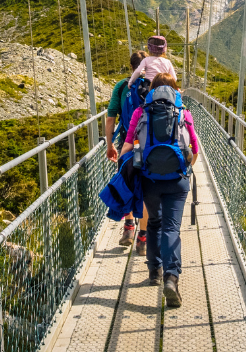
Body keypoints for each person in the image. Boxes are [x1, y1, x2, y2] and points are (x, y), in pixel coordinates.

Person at [120, 73, 198, 308]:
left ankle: (154, 272)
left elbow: (127, 147)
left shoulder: (140, 112)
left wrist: (126, 171)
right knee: (171, 227)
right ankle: (171, 278)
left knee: (154, 222)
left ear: (151, 90)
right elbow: (195, 149)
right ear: (175, 91)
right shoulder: (184, 113)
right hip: (177, 180)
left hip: (149, 179)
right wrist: (185, 170)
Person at [105, 50, 150, 250]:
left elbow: (110, 117)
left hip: (128, 144)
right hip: (148, 145)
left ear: (131, 67)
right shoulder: (154, 86)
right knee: (147, 187)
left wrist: (109, 144)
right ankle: (143, 237)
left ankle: (129, 227)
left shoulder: (122, 86)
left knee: (128, 182)